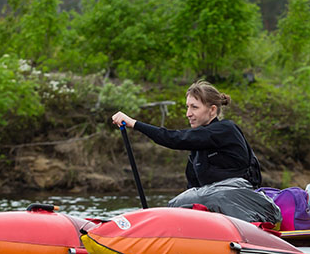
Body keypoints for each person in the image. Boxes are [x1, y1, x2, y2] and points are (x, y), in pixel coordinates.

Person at [111, 80, 279, 224]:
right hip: (215, 198)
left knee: (184, 201)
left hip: (243, 197)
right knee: (179, 203)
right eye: (187, 107)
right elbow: (193, 188)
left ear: (212, 110)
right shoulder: (197, 150)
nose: (188, 114)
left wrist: (134, 123)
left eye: (194, 107)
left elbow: (174, 138)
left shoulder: (224, 129)